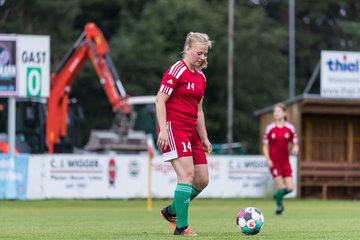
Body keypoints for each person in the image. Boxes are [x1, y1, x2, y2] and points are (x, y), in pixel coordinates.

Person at [155, 32, 213, 236]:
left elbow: (199, 110)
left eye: (205, 54)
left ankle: (171, 211)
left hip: (191, 131)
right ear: (188, 48)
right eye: (199, 53)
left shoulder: (201, 77)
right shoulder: (176, 71)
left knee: (202, 180)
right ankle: (181, 227)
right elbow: (160, 101)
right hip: (173, 127)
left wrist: (204, 137)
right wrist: (162, 129)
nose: (202, 58)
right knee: (187, 175)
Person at [262, 103, 299, 215]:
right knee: (281, 186)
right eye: (275, 112)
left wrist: (296, 148)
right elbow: (265, 146)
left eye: (278, 111)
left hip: (285, 161)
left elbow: (295, 143)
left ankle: (277, 195)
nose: (276, 113)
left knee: (290, 188)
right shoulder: (270, 128)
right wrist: (268, 159)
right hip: (274, 162)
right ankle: (279, 207)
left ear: (284, 113)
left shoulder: (290, 128)